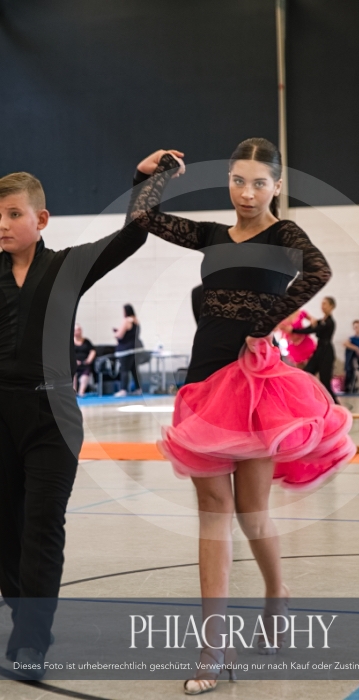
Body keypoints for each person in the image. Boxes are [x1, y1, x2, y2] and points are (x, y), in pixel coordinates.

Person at [126, 139, 355, 695]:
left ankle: (277, 594)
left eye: (258, 182)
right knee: (213, 512)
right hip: (205, 383)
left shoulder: (285, 235)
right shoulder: (210, 235)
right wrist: (149, 175)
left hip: (256, 386)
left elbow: (319, 271)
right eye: (237, 180)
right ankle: (213, 646)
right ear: (227, 180)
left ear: (276, 186)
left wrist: (263, 324)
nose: (246, 192)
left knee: (252, 513)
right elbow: (144, 218)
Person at [0, 153, 157, 679]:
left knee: (43, 524)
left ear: (41, 219)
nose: (3, 224)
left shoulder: (67, 266)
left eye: (13, 214)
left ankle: (31, 638)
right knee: (6, 530)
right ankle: (27, 615)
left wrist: (145, 181)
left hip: (54, 416)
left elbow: (133, 236)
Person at [291, 296, 338, 403]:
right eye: (322, 303)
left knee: (325, 382)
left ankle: (336, 405)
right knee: (307, 373)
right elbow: (309, 328)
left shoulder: (330, 322)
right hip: (319, 351)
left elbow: (313, 330)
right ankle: (309, 400)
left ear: (331, 306)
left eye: (325, 304)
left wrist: (293, 330)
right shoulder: (321, 321)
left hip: (327, 352)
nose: (322, 306)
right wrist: (294, 330)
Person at [113, 304, 142, 397]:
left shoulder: (126, 321)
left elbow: (120, 335)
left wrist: (116, 333)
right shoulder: (136, 320)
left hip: (126, 350)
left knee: (124, 369)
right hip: (136, 348)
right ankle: (138, 388)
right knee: (134, 370)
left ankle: (123, 389)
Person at [73, 323, 96, 397]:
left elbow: (93, 351)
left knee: (85, 376)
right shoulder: (70, 342)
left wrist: (89, 359)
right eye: (76, 330)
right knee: (73, 374)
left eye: (79, 330)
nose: (78, 332)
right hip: (74, 365)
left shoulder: (86, 341)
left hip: (85, 364)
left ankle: (81, 392)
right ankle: (73, 392)